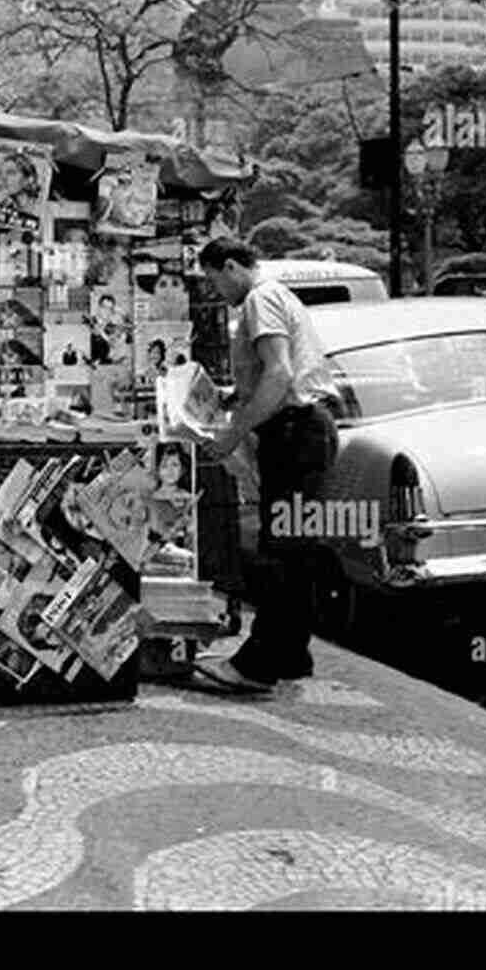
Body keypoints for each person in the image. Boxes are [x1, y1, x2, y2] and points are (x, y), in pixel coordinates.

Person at [195, 237, 341, 693]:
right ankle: (292, 653)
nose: (216, 291)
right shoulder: (275, 297)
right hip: (302, 431)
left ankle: (257, 666)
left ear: (232, 266)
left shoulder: (261, 298)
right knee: (294, 549)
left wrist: (233, 432)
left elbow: (279, 374)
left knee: (284, 553)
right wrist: (232, 398)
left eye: (214, 279)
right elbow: (270, 373)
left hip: (296, 434)